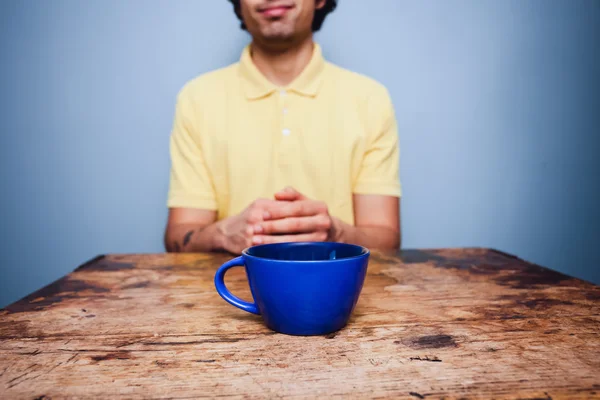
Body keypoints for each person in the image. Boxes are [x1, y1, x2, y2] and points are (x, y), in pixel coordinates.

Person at [164, 0, 402, 254]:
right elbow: (178, 236)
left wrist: (335, 232)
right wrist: (224, 233)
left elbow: (386, 238)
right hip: (232, 285)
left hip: (339, 287)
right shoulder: (197, 98)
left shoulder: (370, 99)